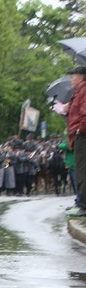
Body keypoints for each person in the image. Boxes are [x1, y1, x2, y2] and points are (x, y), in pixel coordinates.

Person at [66, 66, 86, 217]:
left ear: (80, 77)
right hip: (78, 134)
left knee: (82, 172)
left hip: (82, 136)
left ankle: (83, 205)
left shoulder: (84, 91)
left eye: (73, 76)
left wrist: (80, 129)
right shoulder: (78, 92)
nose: (71, 79)